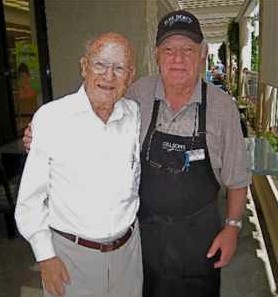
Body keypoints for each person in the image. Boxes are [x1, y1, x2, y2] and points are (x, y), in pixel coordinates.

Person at [23, 9, 250, 297]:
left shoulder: (222, 108)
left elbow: (238, 178)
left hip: (200, 241)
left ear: (203, 54)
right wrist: (41, 132)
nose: (177, 59)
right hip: (144, 242)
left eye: (187, 50)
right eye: (168, 50)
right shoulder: (136, 97)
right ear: (156, 55)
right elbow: (96, 105)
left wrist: (232, 228)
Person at [16, 32, 142, 297]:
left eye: (119, 68)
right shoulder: (52, 119)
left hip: (128, 255)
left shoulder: (133, 115)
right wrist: (45, 257)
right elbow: (29, 202)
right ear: (84, 67)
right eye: (100, 65)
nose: (109, 76)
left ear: (130, 77)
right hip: (70, 258)